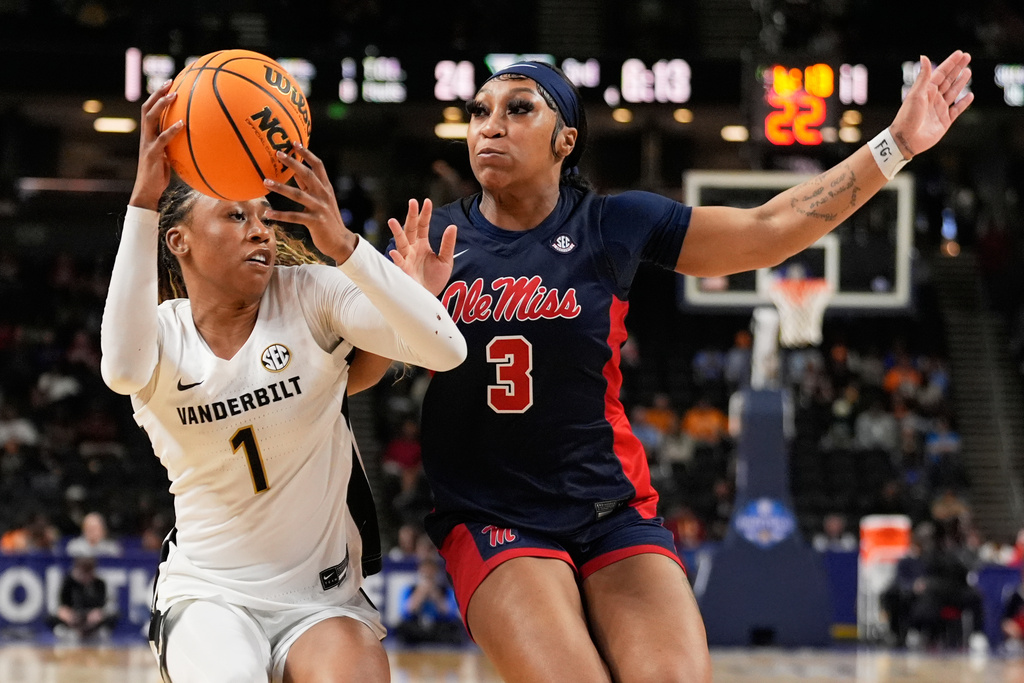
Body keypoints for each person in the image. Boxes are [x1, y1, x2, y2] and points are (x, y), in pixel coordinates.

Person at [377, 52, 972, 682]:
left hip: (610, 510)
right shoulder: (428, 242)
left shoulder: (612, 225)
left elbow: (768, 227)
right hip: (492, 515)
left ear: (565, 140)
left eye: (519, 108)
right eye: (478, 113)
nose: (489, 126)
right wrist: (401, 308)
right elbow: (365, 373)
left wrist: (898, 144)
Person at [99, 81, 466, 683]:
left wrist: (354, 253)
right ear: (178, 240)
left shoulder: (311, 295)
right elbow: (118, 368)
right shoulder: (159, 337)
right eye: (235, 215)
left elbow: (445, 349)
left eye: (266, 216)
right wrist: (143, 198)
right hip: (210, 593)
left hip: (321, 599)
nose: (260, 229)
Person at [49, 555, 118, 643]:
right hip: (73, 617)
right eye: (82, 573)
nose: (85, 577)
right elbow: (58, 604)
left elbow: (109, 604)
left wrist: (100, 612)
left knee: (113, 617)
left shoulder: (100, 583)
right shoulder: (67, 582)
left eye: (88, 573)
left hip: (92, 619)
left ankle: (98, 633)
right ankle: (66, 632)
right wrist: (64, 612)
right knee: (51, 618)